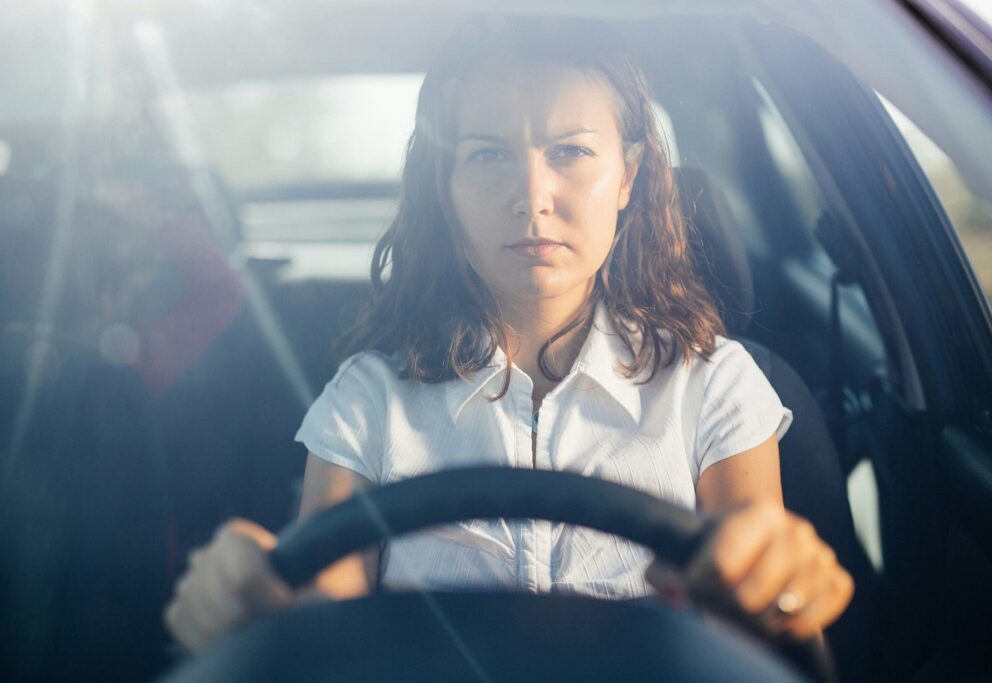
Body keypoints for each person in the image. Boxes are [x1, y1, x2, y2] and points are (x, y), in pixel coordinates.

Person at [164, 16, 853, 655]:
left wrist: (783, 590)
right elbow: (326, 620)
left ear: (629, 176)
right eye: (490, 156)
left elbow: (762, 626)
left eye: (572, 151)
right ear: (447, 186)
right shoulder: (369, 398)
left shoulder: (715, 385)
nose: (532, 194)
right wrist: (256, 596)